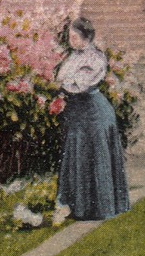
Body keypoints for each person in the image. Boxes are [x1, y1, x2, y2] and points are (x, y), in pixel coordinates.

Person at [56, 16, 130, 220]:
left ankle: (99, 208)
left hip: (94, 113)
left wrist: (65, 85)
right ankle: (78, 207)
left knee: (96, 156)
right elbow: (61, 79)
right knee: (77, 154)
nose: (71, 40)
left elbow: (79, 84)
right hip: (77, 112)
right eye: (69, 36)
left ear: (86, 37)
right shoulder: (73, 57)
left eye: (74, 36)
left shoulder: (95, 58)